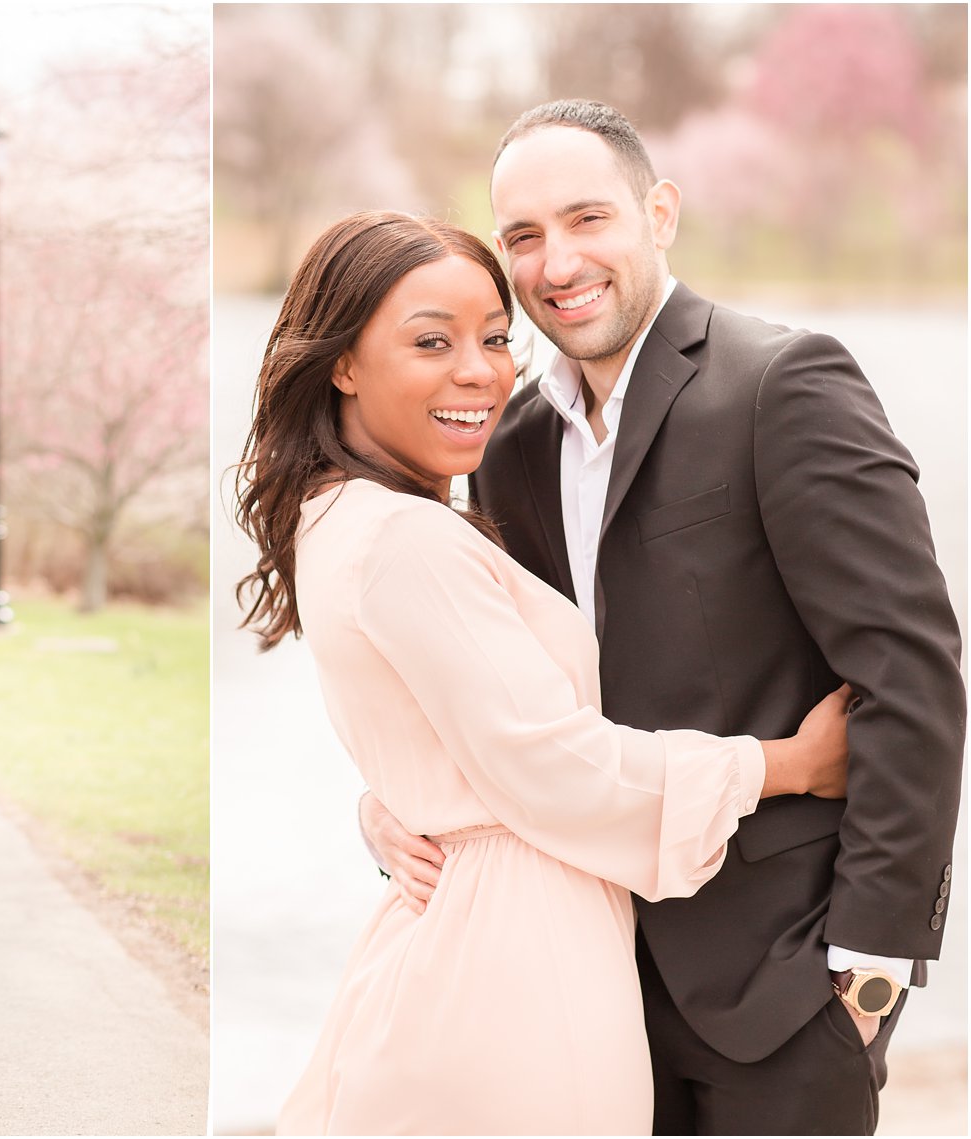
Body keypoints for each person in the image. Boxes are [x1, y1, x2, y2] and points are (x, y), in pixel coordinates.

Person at [360, 100, 965, 1135]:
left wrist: (866, 972)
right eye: (523, 236)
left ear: (658, 213)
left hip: (780, 990)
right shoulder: (509, 444)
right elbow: (499, 690)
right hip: (581, 981)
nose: (556, 262)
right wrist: (388, 808)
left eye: (586, 219)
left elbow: (911, 677)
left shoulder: (782, 382)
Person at [234, 209, 852, 1135]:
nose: (480, 372)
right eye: (431, 342)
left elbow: (433, 725)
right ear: (344, 363)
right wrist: (788, 765)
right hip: (515, 962)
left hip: (471, 925)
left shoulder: (336, 516)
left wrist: (389, 802)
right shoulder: (403, 536)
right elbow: (555, 764)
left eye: (494, 338)